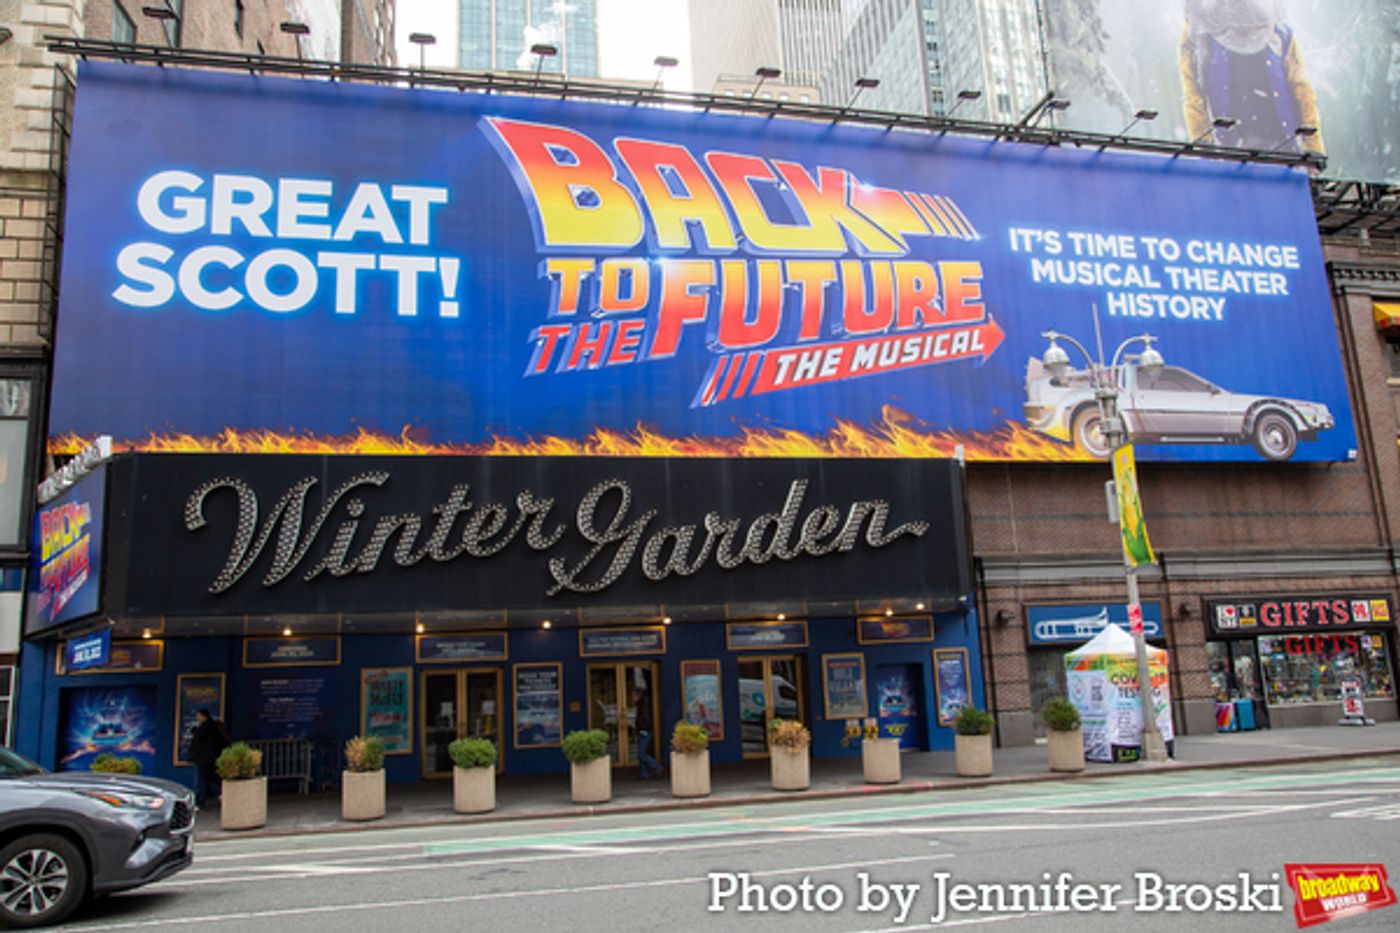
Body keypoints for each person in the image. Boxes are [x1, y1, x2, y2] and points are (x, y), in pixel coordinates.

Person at [1178, 0, 1325, 157]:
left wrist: (1313, 147)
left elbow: (1301, 89)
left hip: (1283, 151)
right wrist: (1203, 146)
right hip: (1232, 153)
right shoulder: (1198, 32)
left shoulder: (1278, 28)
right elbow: (1193, 94)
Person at [189, 708, 231, 808]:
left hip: (203, 758)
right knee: (210, 779)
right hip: (214, 757)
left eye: (198, 716)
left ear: (203, 716)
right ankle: (220, 794)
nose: (197, 718)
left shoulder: (203, 728)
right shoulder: (216, 726)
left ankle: (201, 801)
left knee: (202, 780)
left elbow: (198, 742)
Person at [631, 687, 663, 780]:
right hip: (643, 731)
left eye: (633, 695)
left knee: (641, 754)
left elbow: (645, 719)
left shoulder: (643, 706)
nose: (632, 698)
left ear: (637, 695)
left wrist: (641, 728)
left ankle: (656, 766)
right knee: (641, 753)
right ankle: (643, 774)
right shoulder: (641, 704)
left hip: (644, 731)